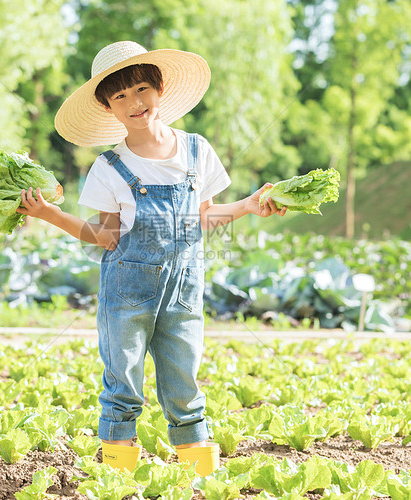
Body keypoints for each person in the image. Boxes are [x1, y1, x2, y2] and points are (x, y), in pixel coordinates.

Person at [16, 40, 286, 475]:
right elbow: (105, 236)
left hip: (183, 290)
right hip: (126, 294)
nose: (134, 102)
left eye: (141, 88)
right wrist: (48, 213)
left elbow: (204, 218)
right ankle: (117, 479)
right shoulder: (109, 166)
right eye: (120, 96)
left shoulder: (197, 151)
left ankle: (200, 480)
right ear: (108, 107)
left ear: (159, 89)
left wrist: (248, 205)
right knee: (123, 382)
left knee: (184, 379)